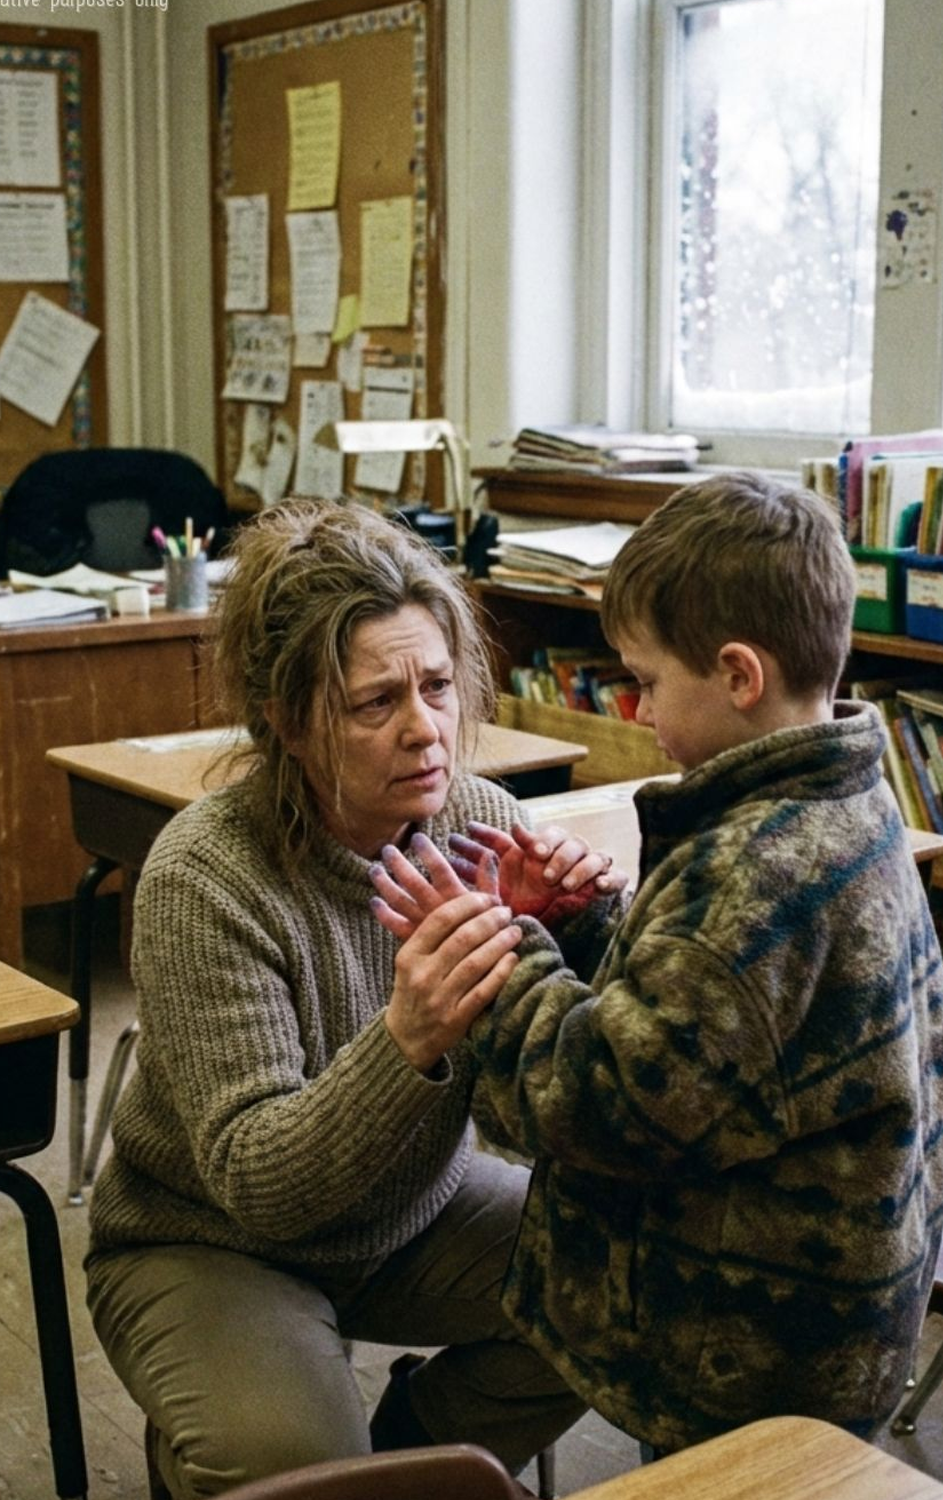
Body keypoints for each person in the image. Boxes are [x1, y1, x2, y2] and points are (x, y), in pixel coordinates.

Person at [371, 471, 943, 1457]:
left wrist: (504, 955)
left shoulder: (752, 875)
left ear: (738, 676)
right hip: (830, 1319)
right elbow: (717, 1047)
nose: (636, 709)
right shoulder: (850, 805)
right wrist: (583, 931)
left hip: (740, 1344)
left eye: (646, 681)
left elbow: (603, 1104)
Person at [84, 498, 628, 1500]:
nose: (426, 731)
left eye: (435, 686)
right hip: (210, 1241)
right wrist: (409, 1036)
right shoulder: (205, 874)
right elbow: (261, 1183)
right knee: (289, 1463)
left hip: (416, 1209)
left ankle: (415, 1451)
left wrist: (588, 924)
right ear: (287, 722)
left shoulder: (475, 817)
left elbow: (586, 1065)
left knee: (632, 1285)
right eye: (375, 702)